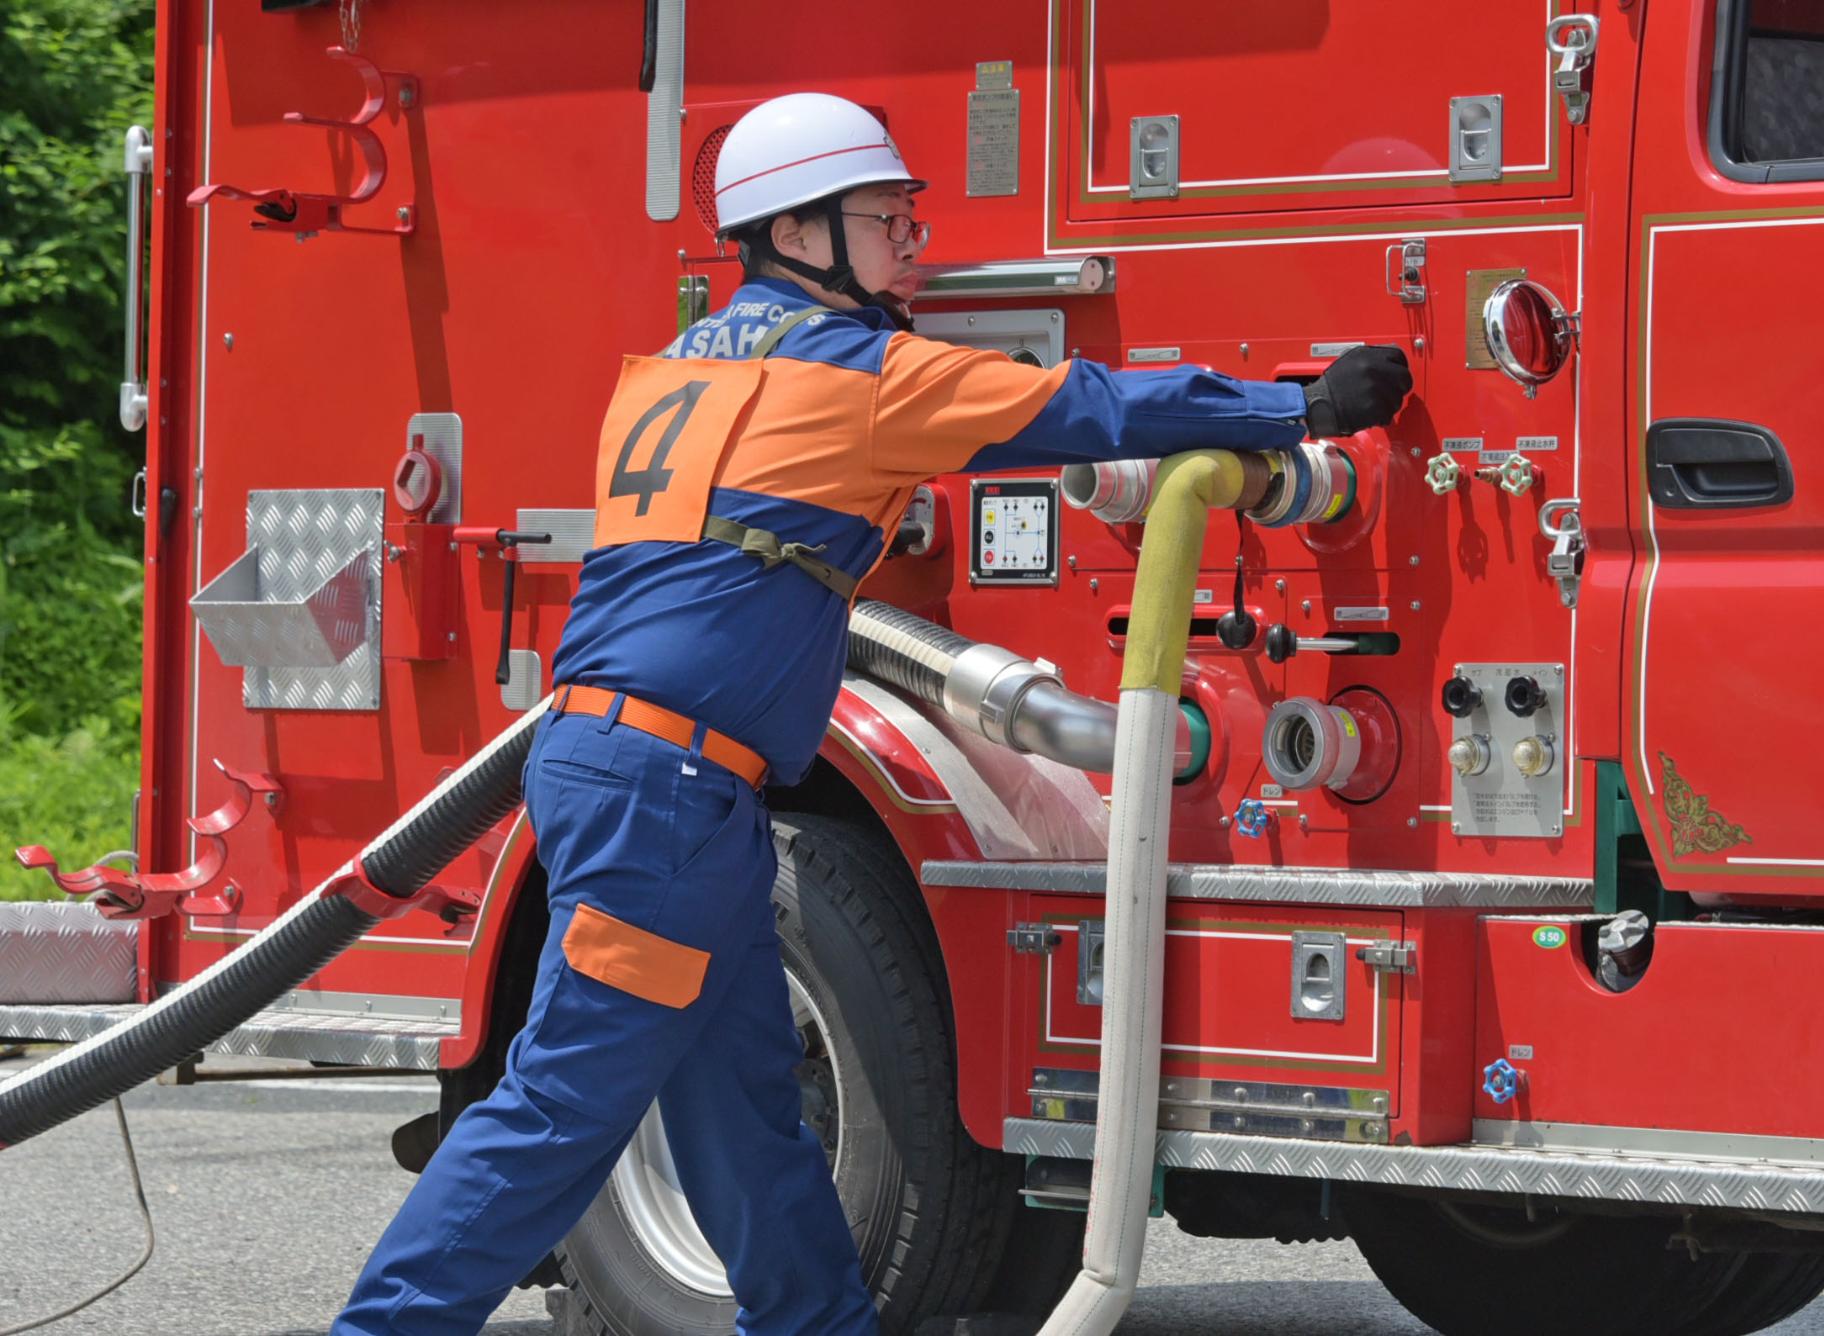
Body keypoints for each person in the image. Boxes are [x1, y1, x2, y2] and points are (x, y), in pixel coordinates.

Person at [333, 91, 1411, 1335]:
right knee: (563, 1105)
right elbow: (1089, 408)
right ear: (796, 233)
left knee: (742, 1113)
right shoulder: (855, 374)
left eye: (909, 214)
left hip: (649, 782)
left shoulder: (684, 365)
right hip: (666, 801)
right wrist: (1296, 410)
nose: (914, 239)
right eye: (884, 217)